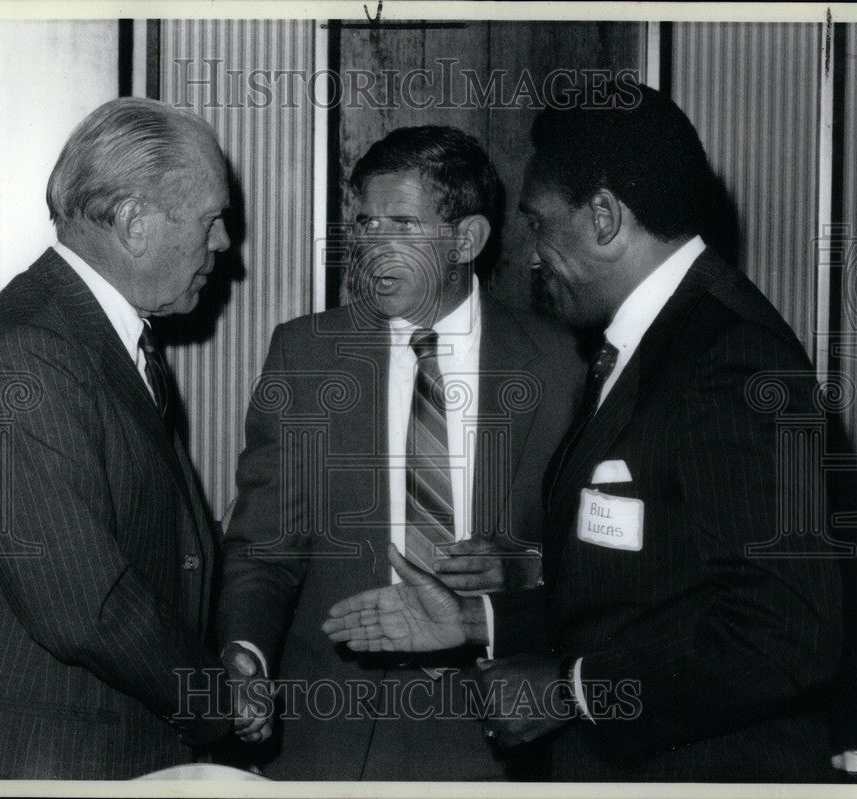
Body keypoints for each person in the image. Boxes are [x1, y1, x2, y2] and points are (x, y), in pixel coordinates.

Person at [324, 84, 844, 782]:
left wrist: (571, 690)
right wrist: (480, 621)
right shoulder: (650, 342)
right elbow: (648, 591)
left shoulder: (728, 357)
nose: (532, 258)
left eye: (539, 225)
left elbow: (786, 632)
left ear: (603, 217)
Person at [0, 97, 262, 779]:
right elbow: (86, 603)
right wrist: (217, 696)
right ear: (135, 223)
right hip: (34, 762)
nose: (223, 242)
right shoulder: (30, 354)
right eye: (211, 218)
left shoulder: (91, 339)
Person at [216, 126, 584, 780]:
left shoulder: (561, 365)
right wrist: (245, 653)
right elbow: (264, 547)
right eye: (365, 224)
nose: (373, 248)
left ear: (466, 239)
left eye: (403, 225)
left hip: (495, 734)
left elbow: (604, 571)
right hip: (327, 734)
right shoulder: (305, 354)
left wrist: (524, 573)